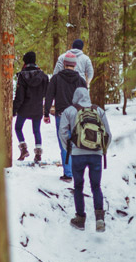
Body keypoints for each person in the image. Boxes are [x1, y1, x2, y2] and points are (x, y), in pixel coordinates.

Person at [58, 87, 112, 232]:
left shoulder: (69, 111)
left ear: (75, 96)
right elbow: (108, 133)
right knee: (96, 186)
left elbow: (62, 132)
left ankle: (80, 219)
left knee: (78, 186)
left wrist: (69, 148)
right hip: (96, 154)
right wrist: (102, 149)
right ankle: (100, 219)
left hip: (77, 155)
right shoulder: (98, 110)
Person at [45, 52, 87, 181]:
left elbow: (49, 96)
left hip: (61, 115)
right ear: (75, 64)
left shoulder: (56, 78)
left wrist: (46, 113)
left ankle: (68, 174)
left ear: (64, 63)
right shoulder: (81, 80)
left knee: (64, 145)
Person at [12, 51, 49, 162]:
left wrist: (14, 110)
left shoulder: (22, 76)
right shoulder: (43, 76)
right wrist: (45, 111)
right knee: (36, 130)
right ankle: (38, 154)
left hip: (24, 108)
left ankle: (24, 149)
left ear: (25, 61)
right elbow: (46, 94)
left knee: (18, 128)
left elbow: (20, 96)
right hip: (37, 107)